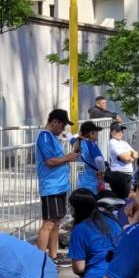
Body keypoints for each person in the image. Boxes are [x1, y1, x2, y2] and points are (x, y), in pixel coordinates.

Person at [36, 109, 80, 261]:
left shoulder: (53, 138)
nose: (63, 129)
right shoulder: (44, 137)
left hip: (60, 186)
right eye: (62, 126)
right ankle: (39, 259)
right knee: (49, 223)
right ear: (54, 122)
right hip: (51, 187)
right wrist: (68, 157)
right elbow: (50, 162)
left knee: (56, 223)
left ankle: (53, 257)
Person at [75, 121, 107, 192]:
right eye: (96, 132)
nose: (97, 134)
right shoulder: (91, 144)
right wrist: (103, 171)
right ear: (92, 133)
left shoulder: (78, 143)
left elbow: (70, 137)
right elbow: (99, 159)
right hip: (93, 186)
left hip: (81, 184)